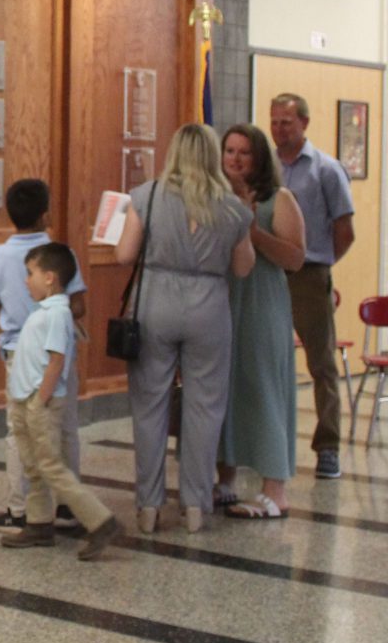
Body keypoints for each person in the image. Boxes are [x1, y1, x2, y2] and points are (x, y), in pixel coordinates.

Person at [115, 124, 254, 533]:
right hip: (209, 306)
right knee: (205, 407)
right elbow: (243, 268)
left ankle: (149, 505)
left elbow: (124, 255)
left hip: (156, 301)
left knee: (150, 404)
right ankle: (195, 504)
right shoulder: (231, 206)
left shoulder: (148, 196)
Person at [0, 179, 88, 533]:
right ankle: (69, 509)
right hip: (58, 351)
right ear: (46, 214)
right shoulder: (60, 254)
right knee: (65, 426)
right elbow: (80, 304)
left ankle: (19, 509)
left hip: (16, 354)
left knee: (19, 430)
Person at [0, 243, 119, 559]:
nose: (26, 281)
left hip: (41, 404)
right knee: (33, 465)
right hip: (25, 400)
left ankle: (100, 521)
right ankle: (39, 523)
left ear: (49, 278)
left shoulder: (57, 314)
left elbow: (56, 361)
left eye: (30, 274)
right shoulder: (44, 311)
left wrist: (41, 399)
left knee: (51, 466)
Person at [216, 124, 306, 519]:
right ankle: (225, 479)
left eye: (244, 152)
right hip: (223, 302)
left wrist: (254, 234)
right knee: (224, 389)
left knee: (264, 388)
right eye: (229, 151)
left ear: (259, 159)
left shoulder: (278, 199)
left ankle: (275, 489)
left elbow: (295, 258)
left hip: (263, 302)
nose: (234, 159)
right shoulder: (216, 196)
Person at [270, 92, 356, 479]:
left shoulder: (326, 170)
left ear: (304, 123)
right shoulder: (266, 167)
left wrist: (320, 266)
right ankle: (268, 441)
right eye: (273, 122)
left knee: (321, 364)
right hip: (270, 275)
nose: (278, 129)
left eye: (285, 122)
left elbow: (345, 231)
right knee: (266, 360)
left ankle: (328, 447)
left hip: (309, 275)